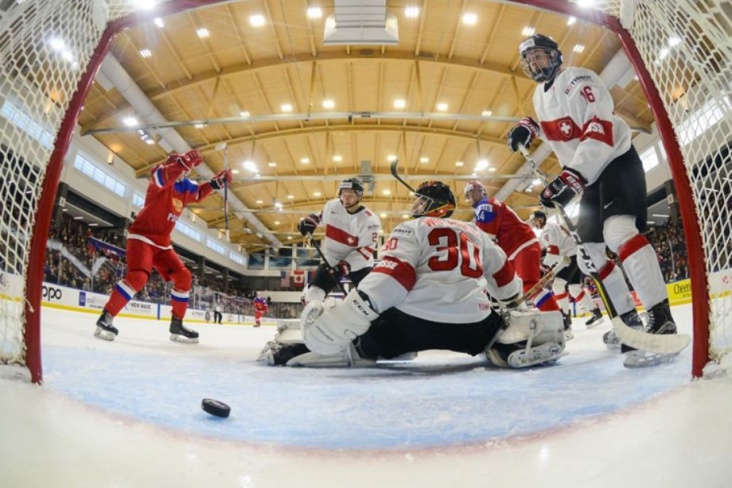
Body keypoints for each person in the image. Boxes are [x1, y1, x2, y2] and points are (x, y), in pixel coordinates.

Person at [262, 181, 566, 369]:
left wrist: (344, 317)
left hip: (411, 328)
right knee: (498, 324)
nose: (416, 205)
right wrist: (511, 309)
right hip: (474, 328)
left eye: (422, 200)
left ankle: (299, 350)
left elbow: (394, 279)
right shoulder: (475, 232)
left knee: (362, 341)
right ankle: (507, 342)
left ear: (438, 206)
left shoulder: (412, 227)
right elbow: (505, 280)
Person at [507, 33, 677, 366]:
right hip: (589, 177)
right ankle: (627, 320)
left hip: (614, 161)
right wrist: (531, 127)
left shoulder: (578, 79)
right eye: (529, 60)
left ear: (555, 56)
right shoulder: (539, 95)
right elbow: (563, 127)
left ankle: (662, 318)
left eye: (540, 56)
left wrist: (570, 177)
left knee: (619, 233)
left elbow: (598, 127)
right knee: (589, 256)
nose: (534, 64)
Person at [94, 149, 232, 343]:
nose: (183, 172)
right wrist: (181, 163)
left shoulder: (185, 186)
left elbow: (199, 193)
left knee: (184, 277)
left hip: (162, 243)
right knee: (138, 277)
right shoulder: (159, 175)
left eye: (185, 169)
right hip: (142, 237)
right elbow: (161, 177)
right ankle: (106, 317)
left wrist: (217, 182)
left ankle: (177, 323)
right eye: (180, 167)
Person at [464, 179, 561, 315]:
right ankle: (535, 318)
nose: (470, 198)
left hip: (521, 246)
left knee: (529, 285)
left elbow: (486, 240)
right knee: (518, 289)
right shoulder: (487, 205)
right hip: (514, 250)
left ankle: (557, 318)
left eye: (470, 193)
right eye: (467, 196)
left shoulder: (485, 205)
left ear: (480, 192)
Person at [298, 178, 381, 303]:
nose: (346, 199)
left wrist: (344, 266)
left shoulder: (370, 220)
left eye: (351, 195)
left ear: (359, 196)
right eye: (343, 194)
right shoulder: (333, 205)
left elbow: (366, 250)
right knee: (312, 296)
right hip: (332, 260)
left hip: (359, 266)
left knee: (372, 299)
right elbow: (320, 216)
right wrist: (311, 222)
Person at [528, 210, 605, 332]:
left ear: (540, 219)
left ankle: (565, 319)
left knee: (557, 286)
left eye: (534, 221)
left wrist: (545, 266)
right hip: (576, 255)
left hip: (569, 258)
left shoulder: (547, 230)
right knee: (574, 288)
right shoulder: (555, 225)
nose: (534, 224)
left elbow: (553, 250)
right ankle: (596, 313)